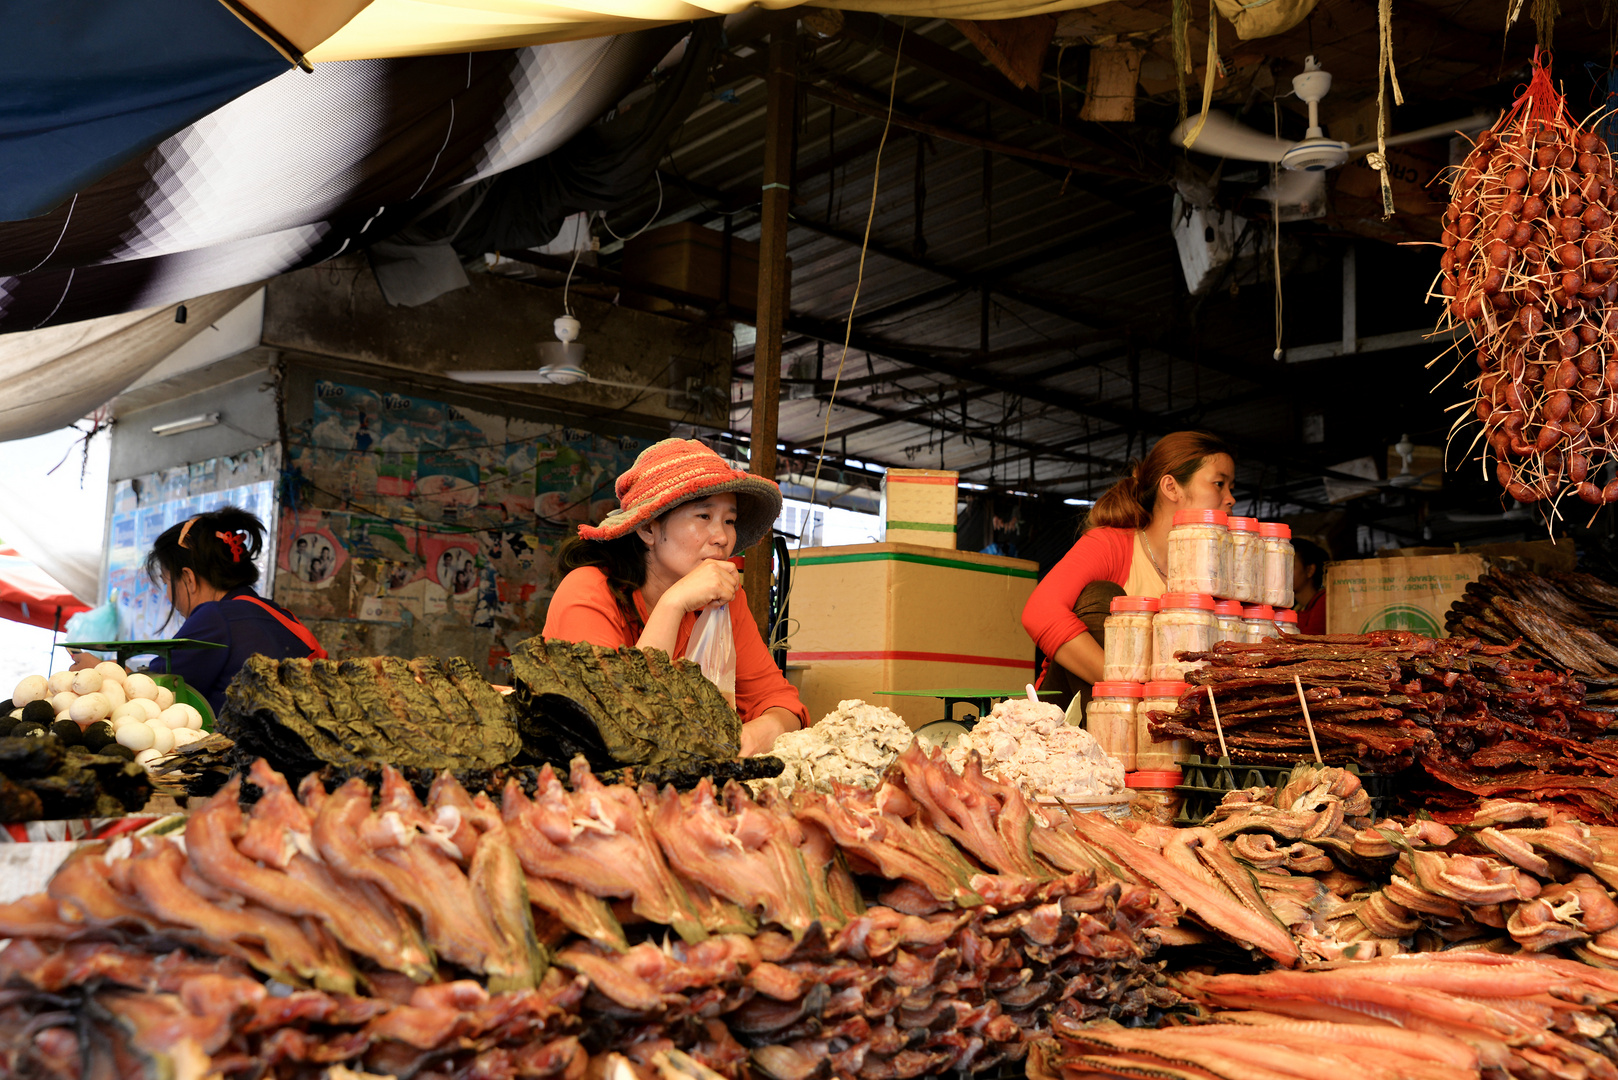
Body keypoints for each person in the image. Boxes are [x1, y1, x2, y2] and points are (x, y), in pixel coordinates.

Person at [543, 438, 808, 757]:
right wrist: (674, 603)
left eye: (729, 521)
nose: (722, 538)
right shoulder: (587, 590)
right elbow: (609, 721)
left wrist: (752, 737)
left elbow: (784, 706)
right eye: (703, 517)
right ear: (649, 529)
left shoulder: (724, 600)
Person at [1022, 432, 1237, 710]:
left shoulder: (1217, 573)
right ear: (1171, 488)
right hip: (1075, 711)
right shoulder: (1112, 545)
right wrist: (1135, 690)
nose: (1230, 498)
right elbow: (1040, 612)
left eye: (1231, 487)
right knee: (1103, 595)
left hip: (1165, 716)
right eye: (1219, 484)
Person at [104, 508, 326, 714]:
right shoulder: (281, 615)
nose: (168, 595)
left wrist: (103, 674)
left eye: (166, 582)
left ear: (189, 579)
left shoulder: (215, 617)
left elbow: (152, 690)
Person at [1293, 538, 1329, 635]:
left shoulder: (1324, 602)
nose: (1281, 571)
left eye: (1290, 565)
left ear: (1310, 570)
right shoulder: (1298, 608)